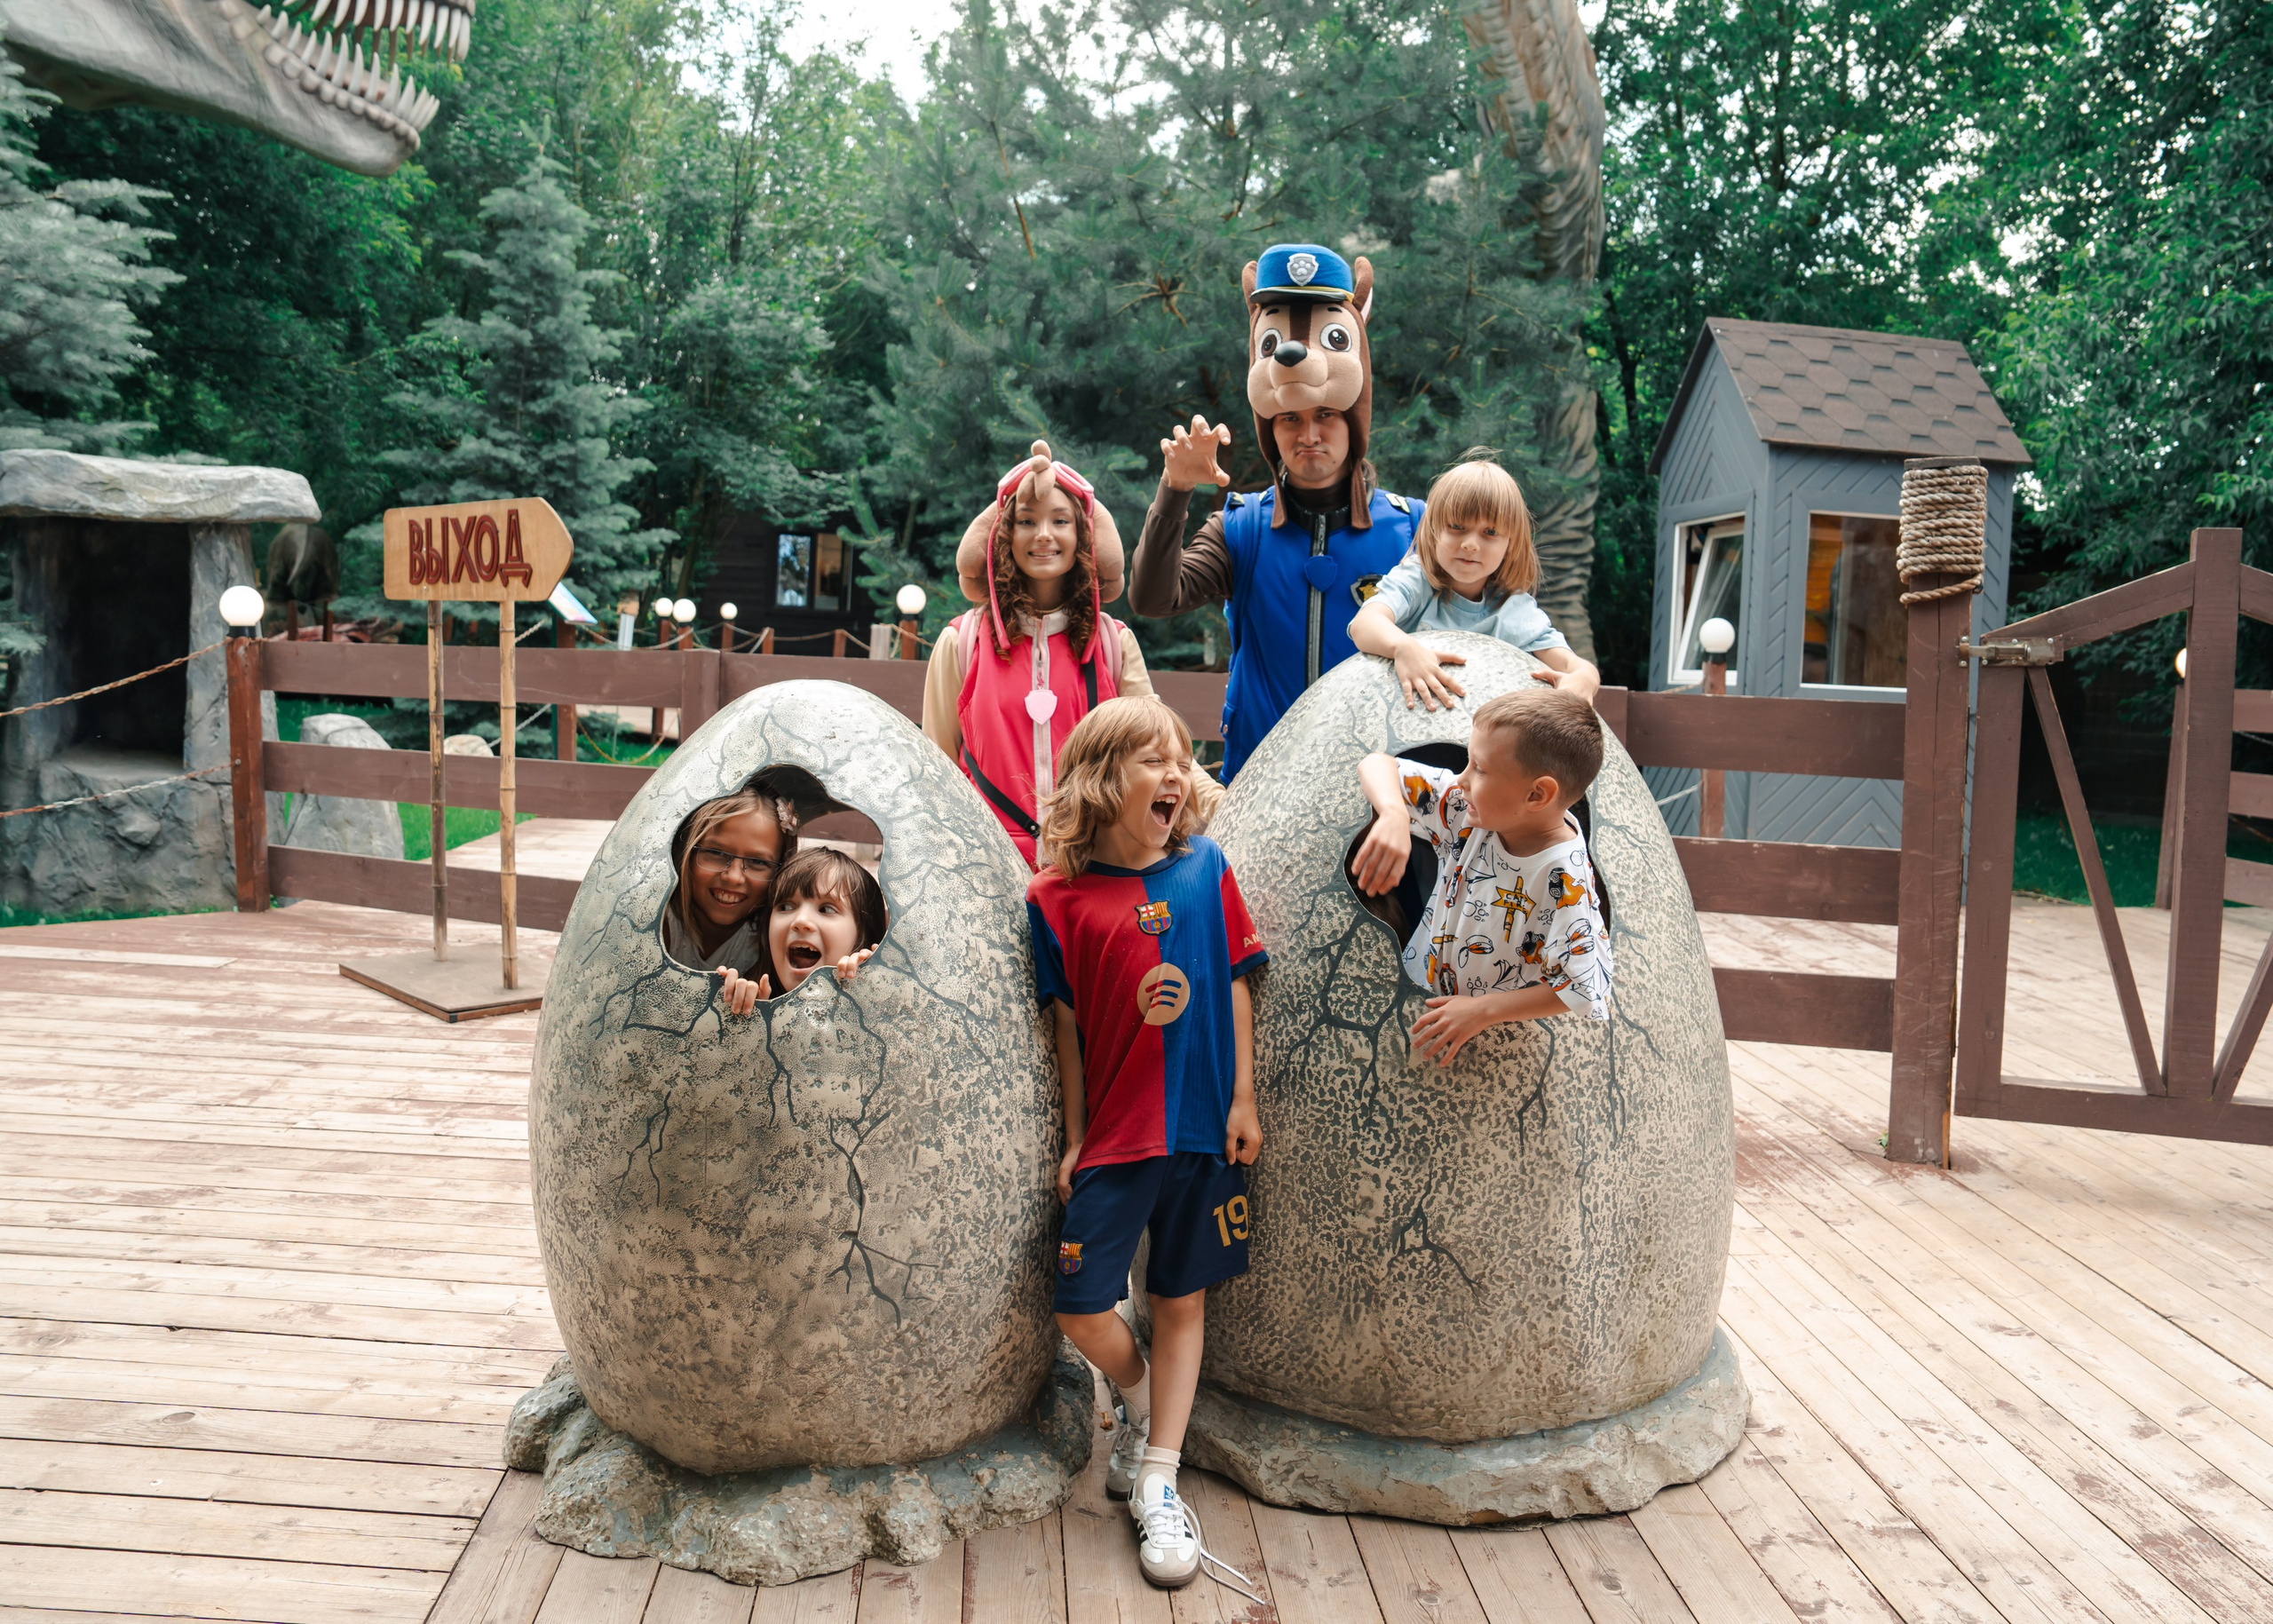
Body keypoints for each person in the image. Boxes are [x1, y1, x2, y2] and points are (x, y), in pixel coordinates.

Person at [1026, 697, 1264, 1590]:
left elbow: (1237, 981)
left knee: (1178, 1299)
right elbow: (1066, 1025)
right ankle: (1138, 1402)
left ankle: (1160, 1476)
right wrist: (1075, 1136)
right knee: (1081, 1306)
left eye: (1180, 760)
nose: (1176, 776)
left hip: (1203, 1130)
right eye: (1152, 761)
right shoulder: (1053, 899)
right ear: (1099, 779)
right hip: (1118, 1137)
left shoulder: (1207, 869)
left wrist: (1243, 1098)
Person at [1131, 243, 1420, 780]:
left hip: (1379, 799)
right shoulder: (1241, 528)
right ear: (1270, 426)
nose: (1308, 434)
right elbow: (1152, 598)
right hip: (1259, 792)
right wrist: (1174, 490)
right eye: (1290, 418)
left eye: (1326, 414)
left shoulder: (1414, 530)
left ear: (1354, 418)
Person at [1349, 687, 1613, 1065]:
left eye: (1480, 768)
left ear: (1537, 795)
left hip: (1488, 1048)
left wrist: (1482, 1011)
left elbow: (1585, 988)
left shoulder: (1565, 881)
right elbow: (1378, 764)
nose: (1461, 779)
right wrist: (1393, 813)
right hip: (1421, 1011)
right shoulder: (1468, 815)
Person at [925, 441, 1154, 867]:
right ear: (1005, 536)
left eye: (1060, 520)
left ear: (1082, 535)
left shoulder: (1114, 643)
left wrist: (1215, 800)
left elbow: (1157, 753)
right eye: (1027, 521)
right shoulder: (962, 641)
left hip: (1091, 871)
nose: (1044, 534)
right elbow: (934, 771)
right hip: (988, 870)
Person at [1350, 455, 1602, 712]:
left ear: (1510, 543)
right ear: (1434, 530)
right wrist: (1403, 647)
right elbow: (1365, 624)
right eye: (1457, 526)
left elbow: (1573, 666)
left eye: (1490, 532)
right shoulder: (1416, 580)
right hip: (1402, 718)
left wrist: (1586, 676)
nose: (1470, 544)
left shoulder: (1511, 607)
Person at [663, 789, 796, 1017]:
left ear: (781, 872)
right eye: (715, 853)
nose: (734, 877)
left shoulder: (773, 942)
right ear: (685, 853)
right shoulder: (659, 924)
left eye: (757, 862)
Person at [764, 848, 887, 995]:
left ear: (865, 934)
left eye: (826, 909)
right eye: (786, 907)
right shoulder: (749, 1001)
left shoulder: (885, 1002)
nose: (801, 920)